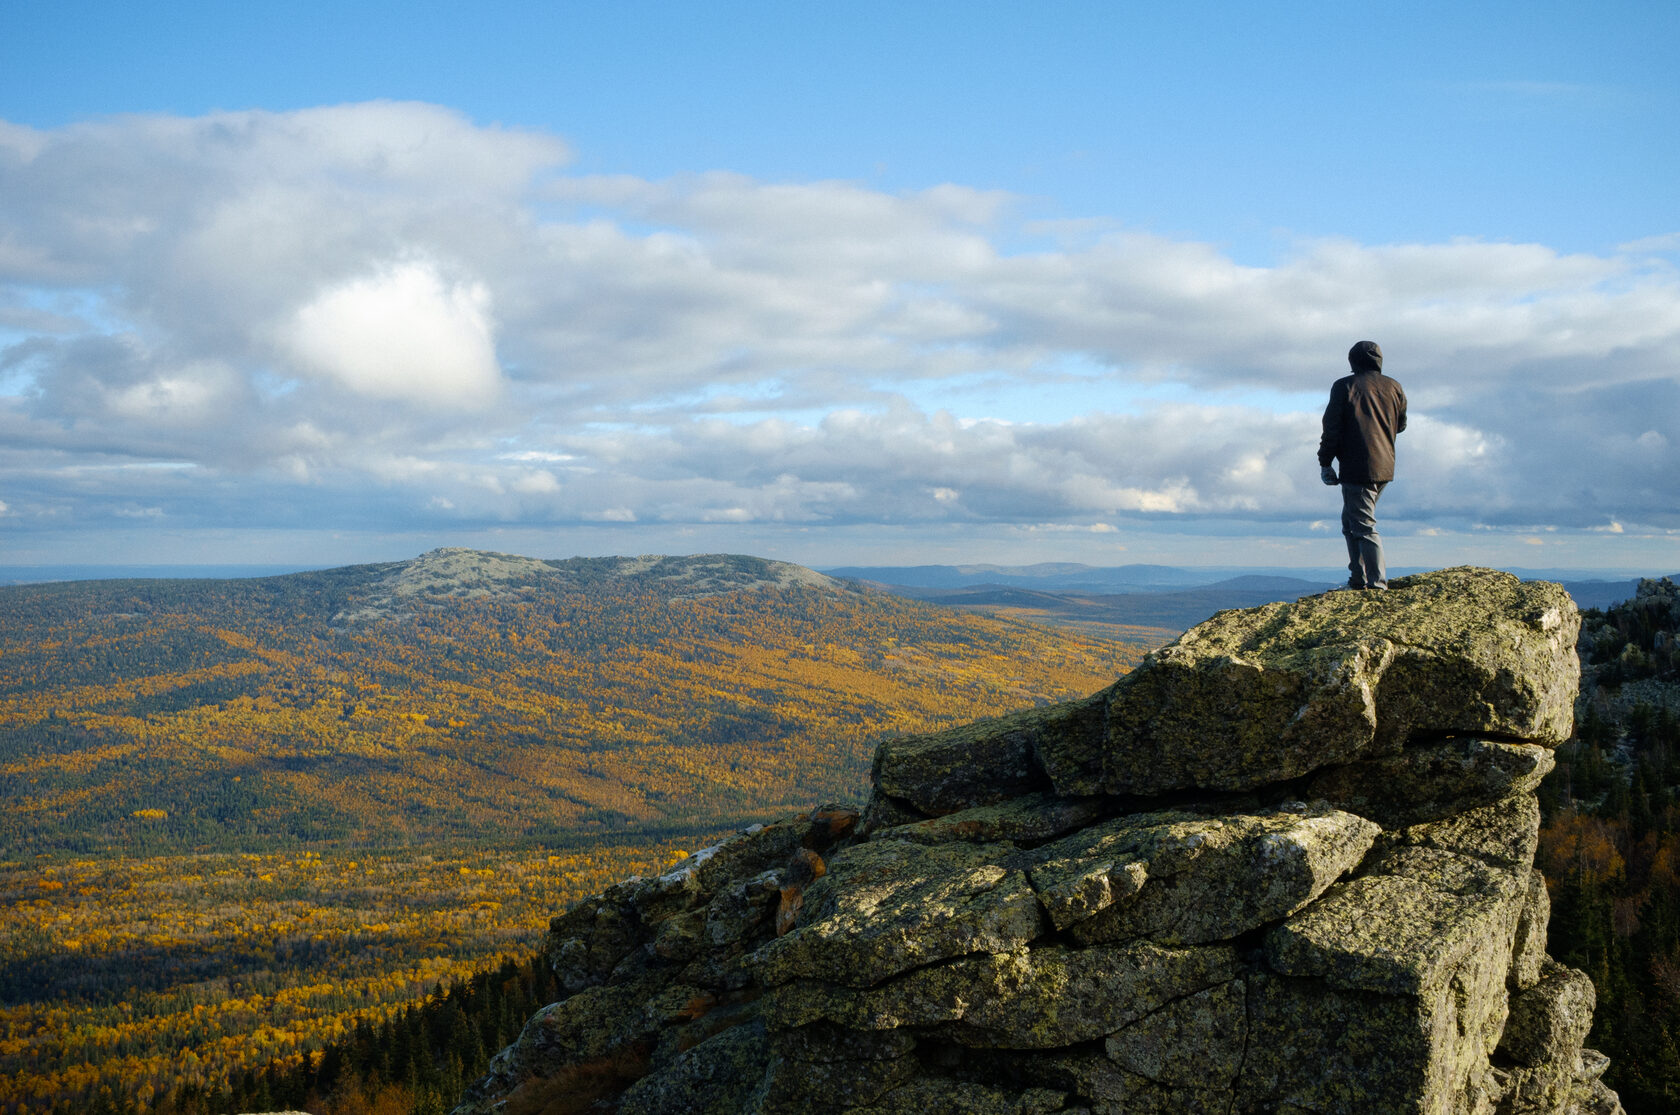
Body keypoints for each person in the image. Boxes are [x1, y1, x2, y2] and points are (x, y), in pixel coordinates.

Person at [1318, 340, 1407, 590]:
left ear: (1352, 361)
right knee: (1351, 521)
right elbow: (1401, 425)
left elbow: (1332, 428)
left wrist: (1326, 462)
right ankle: (1357, 578)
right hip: (1385, 466)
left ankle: (1375, 583)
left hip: (1358, 467)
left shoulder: (1345, 386)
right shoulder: (1394, 386)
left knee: (1363, 525)